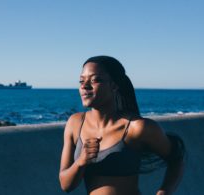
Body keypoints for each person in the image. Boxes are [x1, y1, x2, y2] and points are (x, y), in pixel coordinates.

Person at [59, 56, 185, 195]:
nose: (85, 86)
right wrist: (81, 162)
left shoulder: (137, 128)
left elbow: (176, 160)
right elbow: (66, 185)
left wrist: (164, 192)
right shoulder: (75, 123)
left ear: (114, 85)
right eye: (81, 81)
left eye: (95, 80)